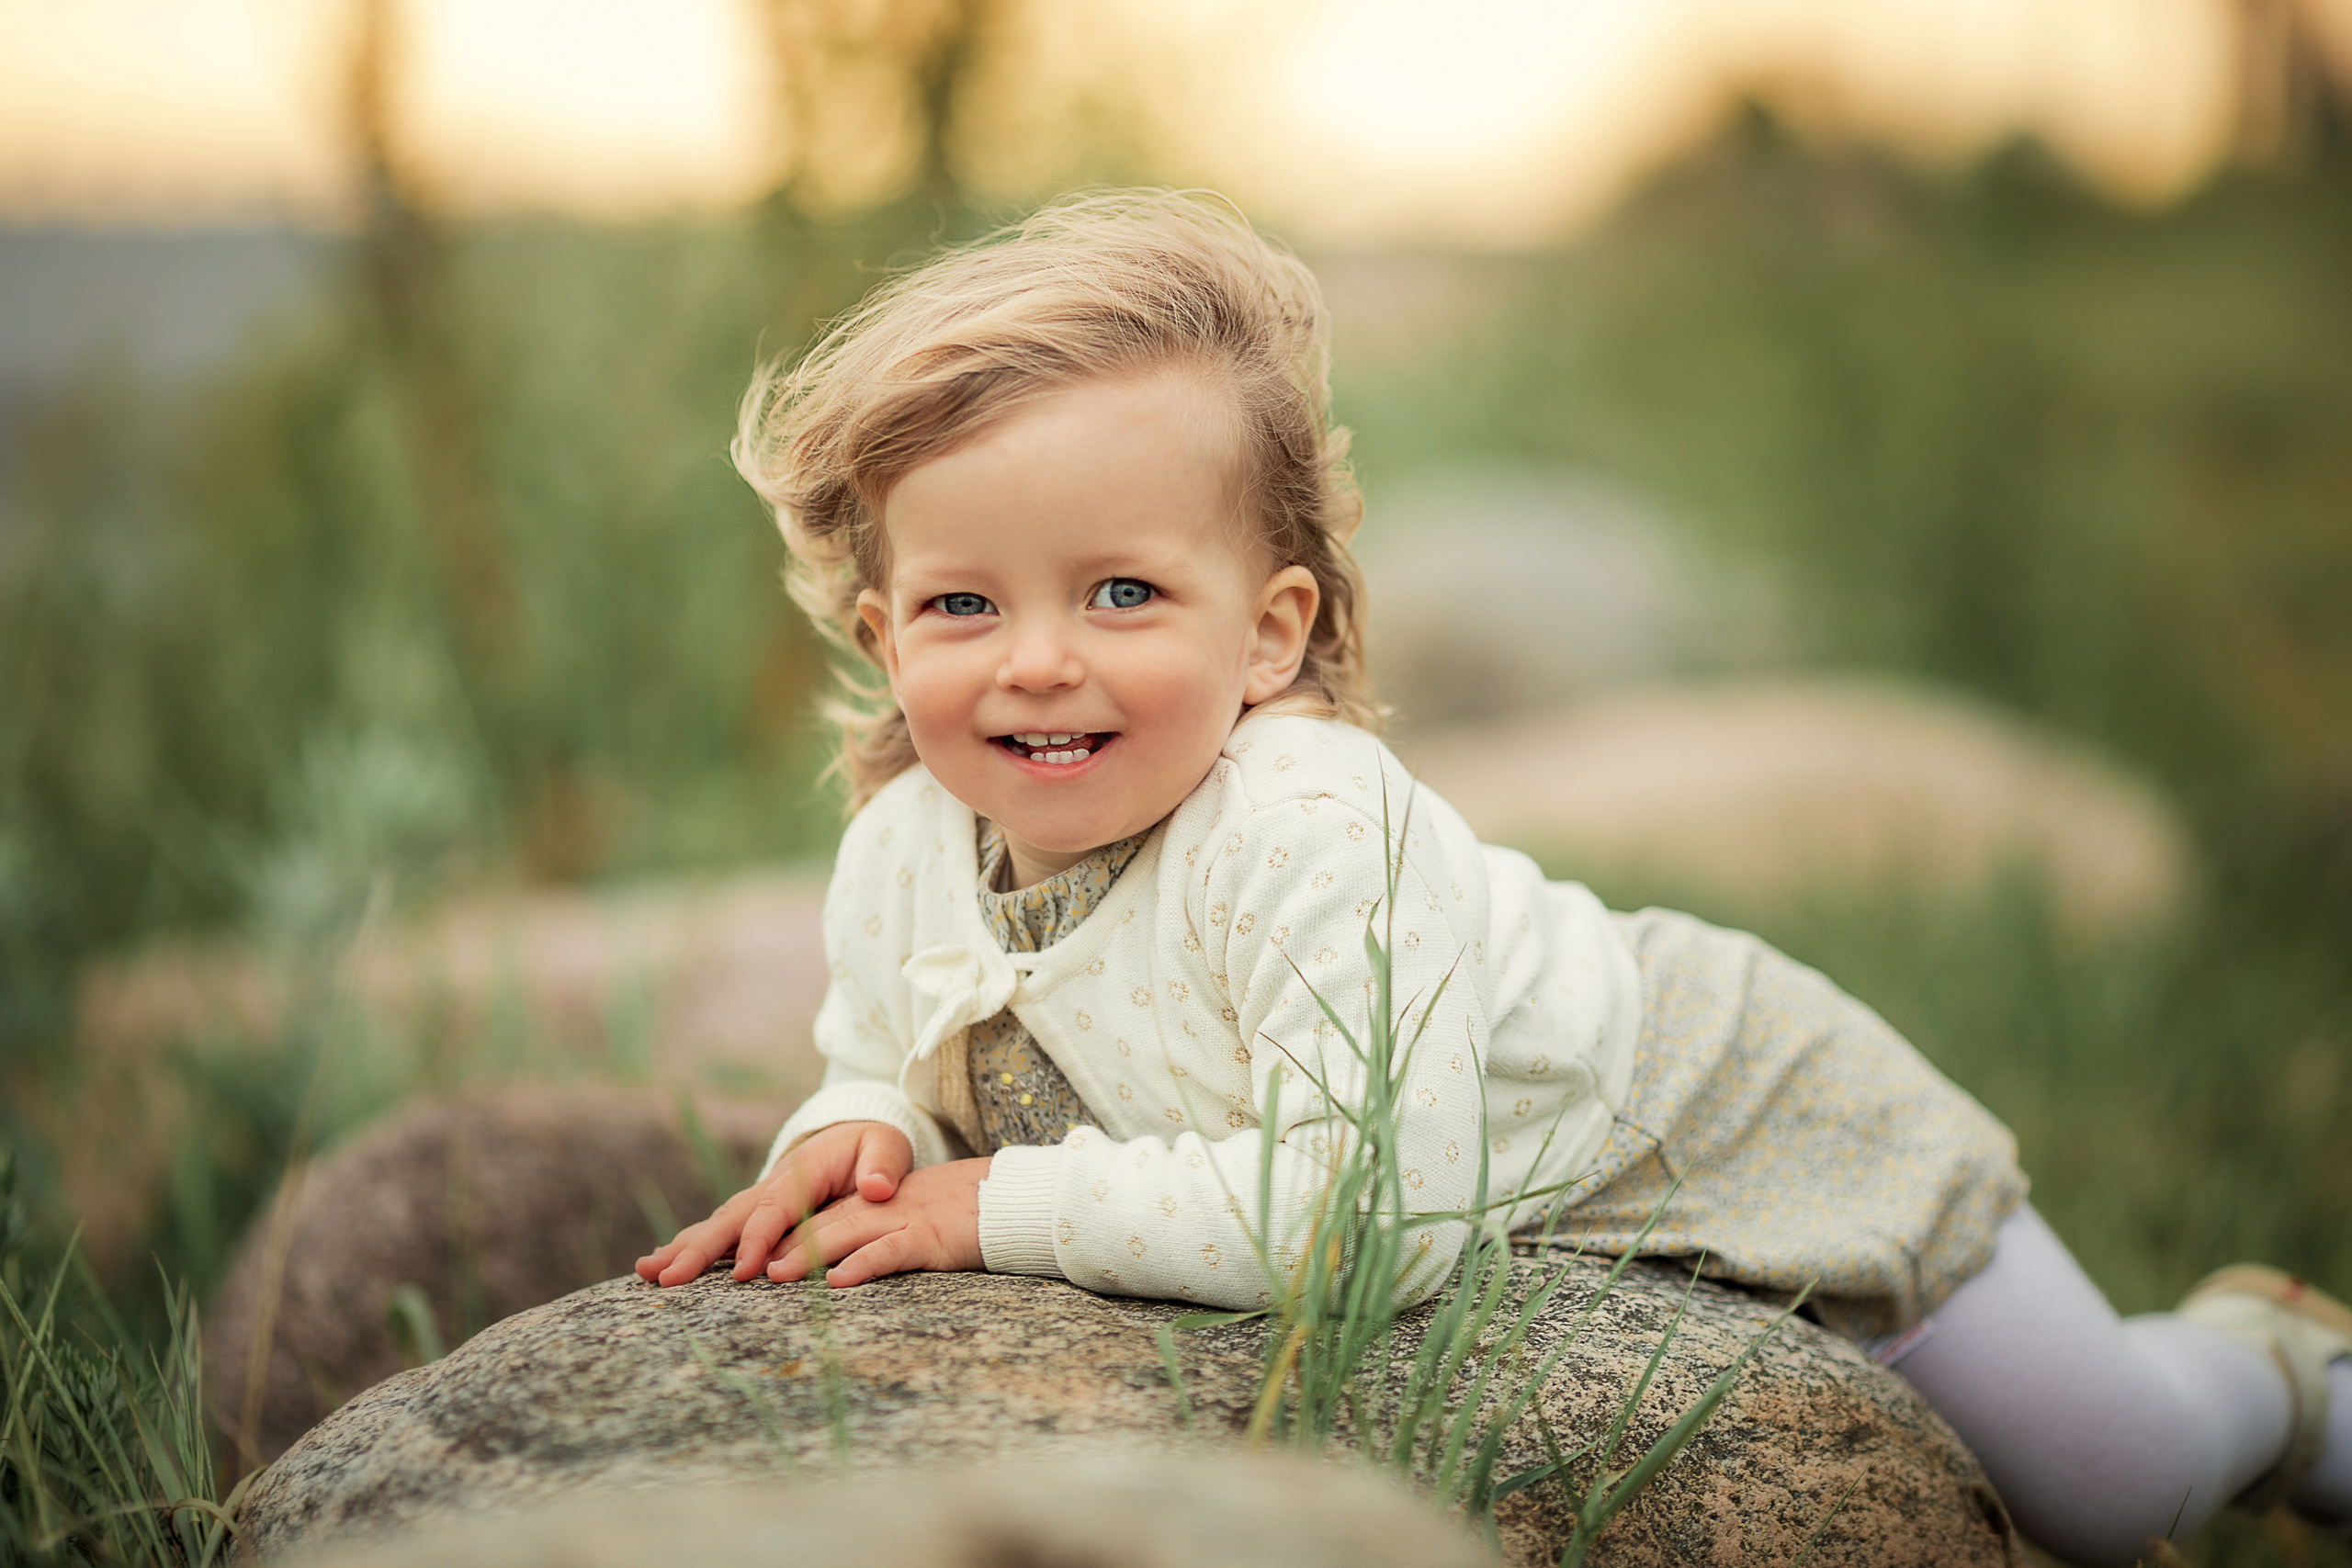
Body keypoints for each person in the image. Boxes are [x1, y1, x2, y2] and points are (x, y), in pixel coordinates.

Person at [635, 190, 2351, 1562]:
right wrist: (860, 1130)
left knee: (2112, 1482)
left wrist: (985, 1206)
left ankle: (2284, 1377)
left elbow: (1370, 1212)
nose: (1035, 661)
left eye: (1123, 593)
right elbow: (884, 1049)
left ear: (1269, 633)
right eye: (963, 604)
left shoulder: (1306, 829)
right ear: (885, 635)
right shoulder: (905, 850)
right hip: (1543, 1194)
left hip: (1717, 1116)